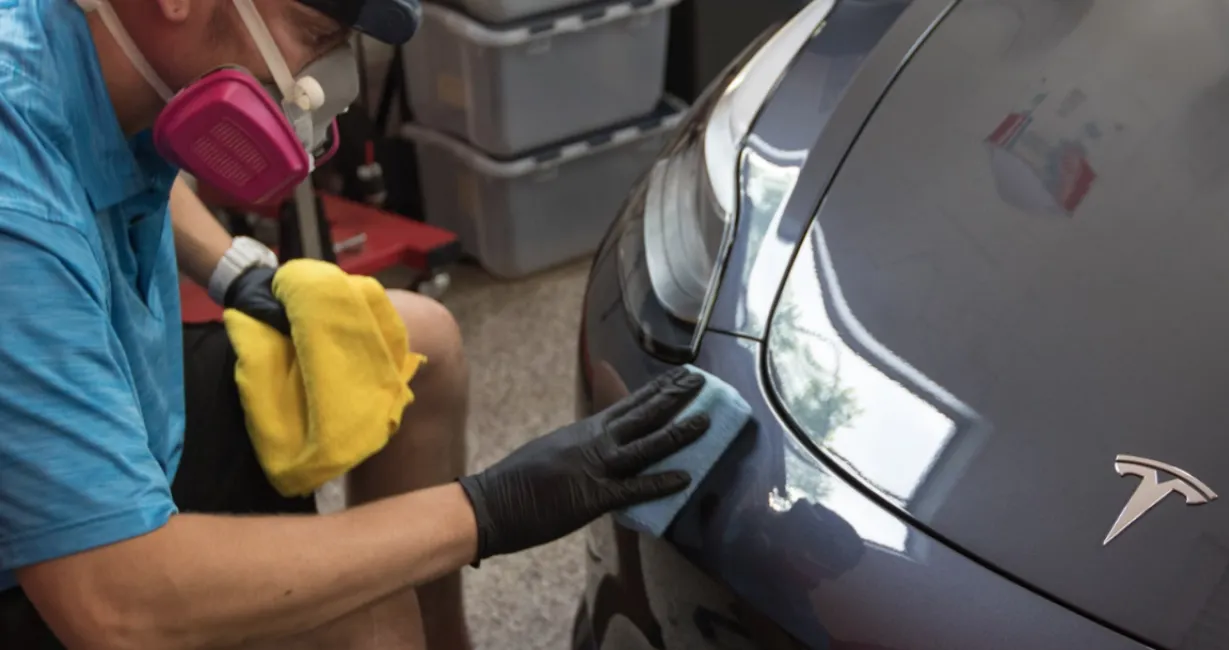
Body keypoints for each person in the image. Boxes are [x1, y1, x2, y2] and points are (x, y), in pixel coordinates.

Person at [0, 0, 711, 648]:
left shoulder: (98, 46)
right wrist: (489, 511)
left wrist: (236, 270)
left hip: (118, 391)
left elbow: (130, 150)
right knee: (367, 623)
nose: (324, 84)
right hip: (71, 574)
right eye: (316, 38)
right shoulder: (13, 203)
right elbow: (114, 603)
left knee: (415, 342)